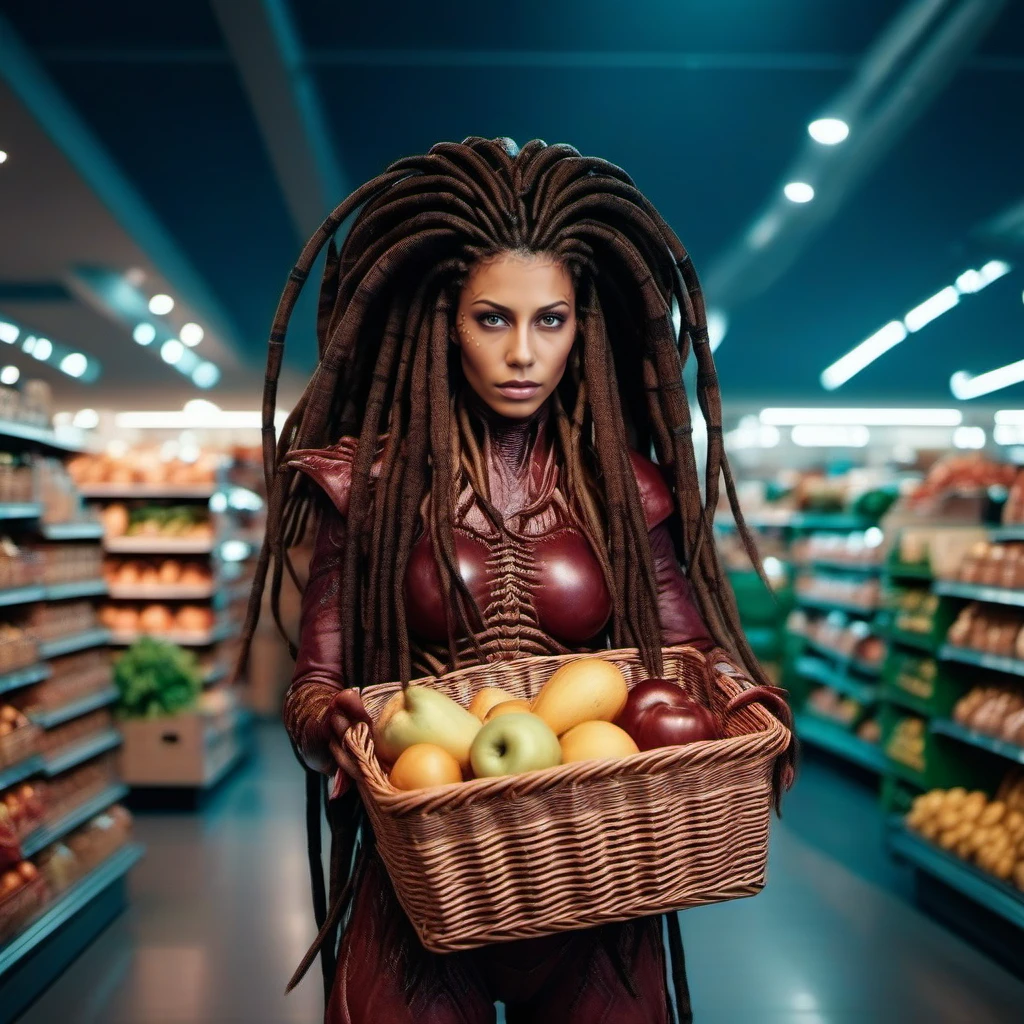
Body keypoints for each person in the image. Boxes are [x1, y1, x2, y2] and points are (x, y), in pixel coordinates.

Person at [239, 137, 793, 1024]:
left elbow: (688, 650)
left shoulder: (623, 488)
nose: (524, 353)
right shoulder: (367, 488)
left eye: (552, 320)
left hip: (595, 868)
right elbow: (315, 687)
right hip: (424, 877)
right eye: (492, 319)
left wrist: (741, 699)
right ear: (444, 321)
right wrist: (334, 727)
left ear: (585, 325)